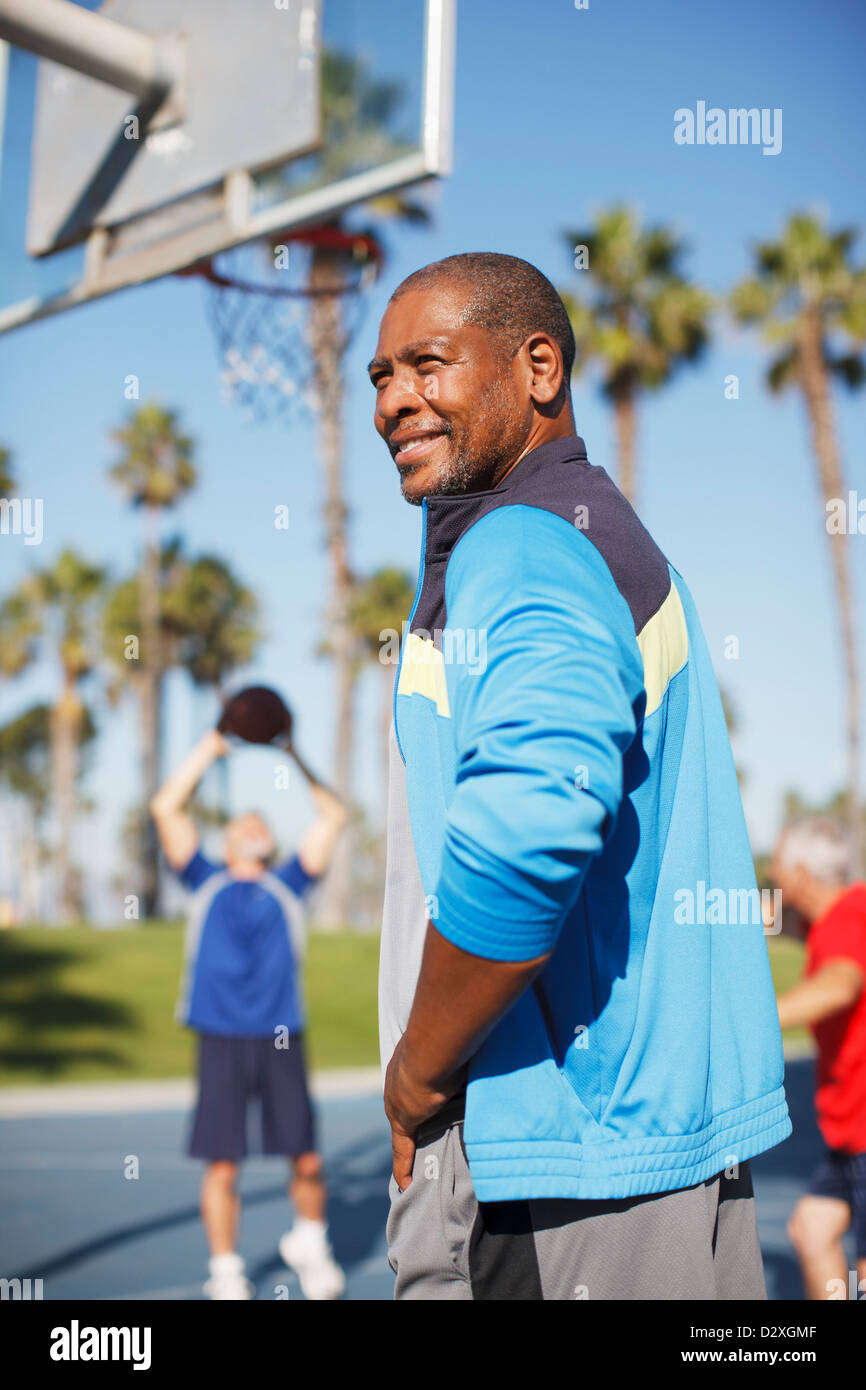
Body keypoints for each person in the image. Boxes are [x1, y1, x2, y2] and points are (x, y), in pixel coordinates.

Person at [369, 251, 792, 1300]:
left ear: (538, 367)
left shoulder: (522, 542)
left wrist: (420, 1069)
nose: (392, 401)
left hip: (555, 1163)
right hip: (648, 1151)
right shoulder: (597, 541)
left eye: (426, 363)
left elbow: (528, 822)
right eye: (377, 377)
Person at [150, 727, 348, 1300]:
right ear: (229, 841)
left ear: (269, 843)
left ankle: (311, 1240)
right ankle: (227, 1271)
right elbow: (166, 805)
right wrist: (207, 752)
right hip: (220, 1037)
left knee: (306, 1160)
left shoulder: (290, 883)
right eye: (243, 824)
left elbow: (333, 814)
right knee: (223, 1165)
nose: (254, 825)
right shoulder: (203, 881)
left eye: (262, 824)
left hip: (282, 1035)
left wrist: (293, 754)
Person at [772, 816, 866, 1299]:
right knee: (812, 1229)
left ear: (803, 873)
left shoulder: (848, 917)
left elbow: (841, 983)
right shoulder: (824, 918)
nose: (771, 871)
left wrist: (760, 1019)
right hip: (850, 1134)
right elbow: (767, 917)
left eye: (780, 864)